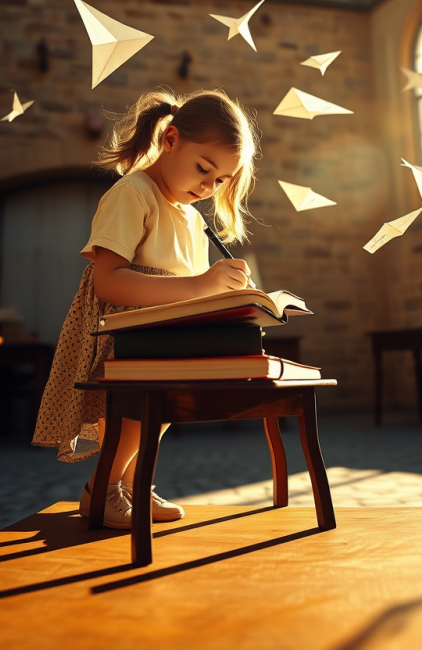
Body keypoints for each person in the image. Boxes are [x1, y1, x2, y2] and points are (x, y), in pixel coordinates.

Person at [32, 88, 259, 529]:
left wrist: (227, 295)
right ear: (170, 139)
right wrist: (201, 284)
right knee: (137, 411)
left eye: (220, 181)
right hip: (127, 334)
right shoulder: (133, 193)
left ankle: (132, 487)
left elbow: (190, 291)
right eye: (203, 169)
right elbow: (108, 280)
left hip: (167, 337)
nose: (207, 187)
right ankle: (101, 489)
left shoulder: (192, 218)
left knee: (162, 411)